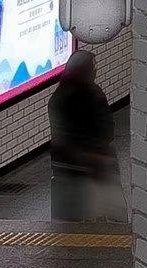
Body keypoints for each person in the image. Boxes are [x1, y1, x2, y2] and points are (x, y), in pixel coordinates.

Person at [47, 47, 122, 222]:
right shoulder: (93, 94)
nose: (95, 71)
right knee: (104, 215)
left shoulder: (57, 97)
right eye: (93, 67)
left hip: (66, 167)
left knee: (70, 220)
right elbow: (106, 129)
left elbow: (61, 135)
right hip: (94, 165)